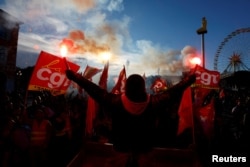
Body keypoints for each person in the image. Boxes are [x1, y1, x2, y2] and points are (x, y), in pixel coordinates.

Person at [65, 70, 196, 167]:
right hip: (145, 152)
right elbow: (172, 93)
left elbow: (94, 90)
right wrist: (188, 80)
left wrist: (76, 77)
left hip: (120, 152)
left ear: (126, 87)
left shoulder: (114, 101)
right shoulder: (154, 102)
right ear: (143, 88)